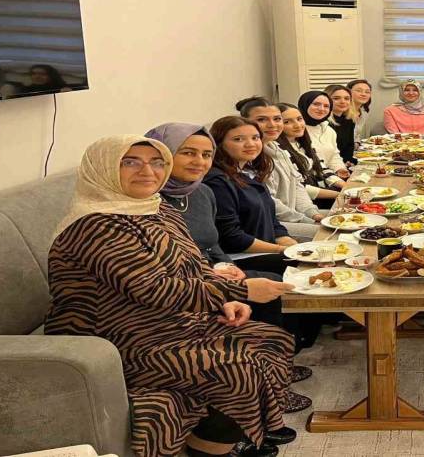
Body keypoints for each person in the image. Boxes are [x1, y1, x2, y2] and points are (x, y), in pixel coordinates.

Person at [44, 135, 300, 457]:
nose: (147, 171)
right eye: (130, 162)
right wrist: (243, 290)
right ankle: (212, 449)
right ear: (104, 168)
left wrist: (225, 301)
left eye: (156, 162)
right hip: (114, 339)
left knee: (271, 341)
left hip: (166, 322)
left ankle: (217, 440)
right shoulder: (95, 225)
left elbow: (193, 263)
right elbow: (152, 288)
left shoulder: (156, 207)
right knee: (237, 367)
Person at [145, 122, 321, 371]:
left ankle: (288, 350)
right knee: (275, 278)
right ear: (163, 155)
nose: (199, 161)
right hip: (191, 276)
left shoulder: (201, 191)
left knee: (299, 264)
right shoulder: (151, 201)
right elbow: (222, 241)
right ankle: (274, 359)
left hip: (215, 265)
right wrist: (216, 272)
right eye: (187, 153)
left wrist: (224, 265)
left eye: (206, 154)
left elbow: (213, 240)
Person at [204, 116, 297, 269]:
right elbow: (231, 238)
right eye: (238, 139)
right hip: (237, 257)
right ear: (219, 144)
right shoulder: (217, 181)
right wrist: (281, 250)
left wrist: (289, 242)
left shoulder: (250, 172)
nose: (250, 144)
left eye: (255, 138)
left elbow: (272, 220)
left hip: (264, 248)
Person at [236, 97, 322, 241]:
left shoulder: (278, 148)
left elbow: (297, 185)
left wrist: (313, 214)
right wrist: (306, 220)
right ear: (245, 123)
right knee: (330, 234)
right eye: (262, 120)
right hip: (272, 222)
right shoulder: (250, 156)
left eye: (277, 119)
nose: (272, 125)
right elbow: (269, 202)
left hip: (293, 215)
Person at [277, 103, 342, 209]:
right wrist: (339, 194)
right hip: (305, 204)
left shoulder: (301, 143)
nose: (297, 125)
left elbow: (320, 168)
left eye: (299, 119)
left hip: (320, 194)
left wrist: (344, 186)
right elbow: (299, 188)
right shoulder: (280, 151)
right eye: (287, 122)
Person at [298, 90, 350, 181]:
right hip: (309, 182)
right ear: (305, 104)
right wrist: (335, 180)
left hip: (330, 178)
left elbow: (333, 155)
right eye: (316, 104)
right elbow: (310, 165)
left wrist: (339, 169)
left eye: (326, 106)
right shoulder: (297, 131)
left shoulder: (328, 130)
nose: (321, 109)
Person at [325, 84, 358, 165]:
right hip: (329, 164)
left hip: (344, 162)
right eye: (336, 98)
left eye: (346, 98)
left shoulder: (349, 120)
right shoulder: (324, 122)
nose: (343, 102)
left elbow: (349, 145)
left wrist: (348, 161)